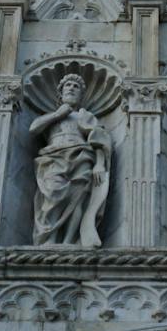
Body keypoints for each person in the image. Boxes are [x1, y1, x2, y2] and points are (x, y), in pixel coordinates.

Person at [30, 73, 111, 246]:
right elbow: (34, 129)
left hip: (81, 156)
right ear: (60, 94)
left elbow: (99, 138)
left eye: (76, 87)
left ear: (81, 95)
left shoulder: (84, 116)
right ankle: (48, 238)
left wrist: (99, 163)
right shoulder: (52, 116)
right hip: (54, 157)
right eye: (68, 86)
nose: (72, 88)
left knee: (77, 201)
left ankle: (69, 241)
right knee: (52, 194)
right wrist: (58, 115)